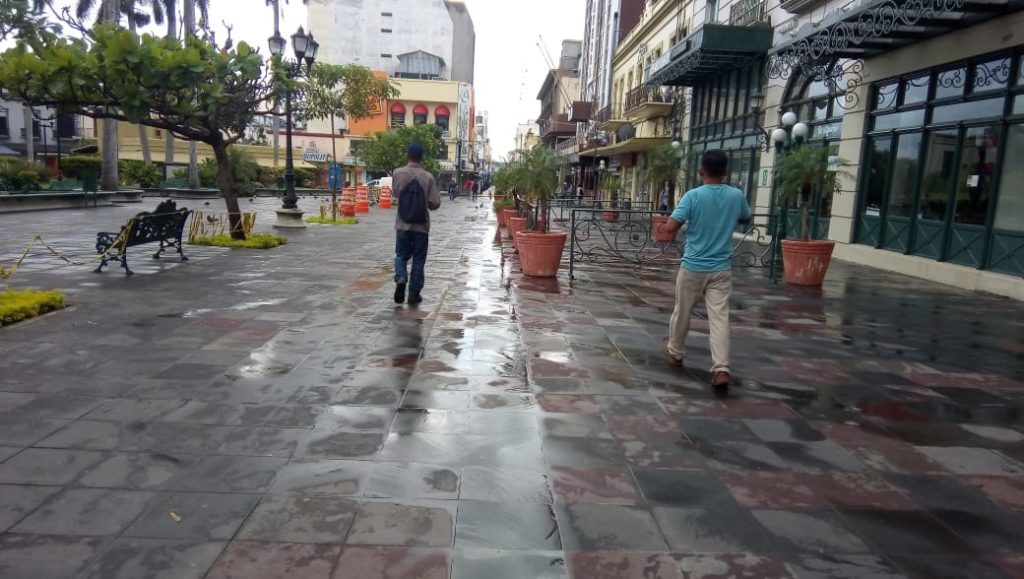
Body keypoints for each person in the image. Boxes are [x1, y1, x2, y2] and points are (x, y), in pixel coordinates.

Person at [657, 149, 752, 398]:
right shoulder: (736, 195)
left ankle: (675, 352)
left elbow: (671, 227)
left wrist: (666, 224)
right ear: (725, 172)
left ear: (701, 171)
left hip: (693, 267)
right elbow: (746, 217)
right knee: (719, 318)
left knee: (683, 311)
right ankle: (721, 368)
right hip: (721, 268)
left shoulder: (693, 196)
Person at [393, 143, 442, 306]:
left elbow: (396, 194)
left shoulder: (397, 173)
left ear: (407, 156)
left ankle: (401, 277)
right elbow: (435, 202)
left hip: (402, 224)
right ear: (422, 158)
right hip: (421, 227)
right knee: (419, 260)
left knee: (401, 255)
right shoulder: (428, 177)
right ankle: (414, 294)